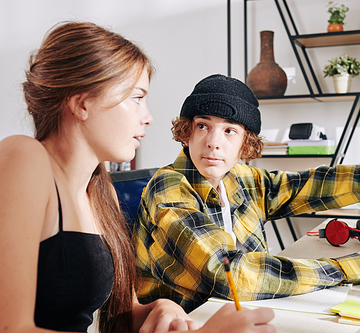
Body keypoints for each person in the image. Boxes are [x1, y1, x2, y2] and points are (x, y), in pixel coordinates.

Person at [0, 23, 275, 333]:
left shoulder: (100, 192)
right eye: (136, 98)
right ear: (82, 103)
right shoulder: (23, 158)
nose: (148, 116)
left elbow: (119, 317)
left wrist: (156, 310)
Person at [133, 73, 360, 312]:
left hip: (238, 316)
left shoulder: (240, 178)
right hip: (190, 323)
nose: (213, 141)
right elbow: (231, 275)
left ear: (245, 145)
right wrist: (347, 268)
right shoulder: (170, 187)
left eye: (230, 131)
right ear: (187, 131)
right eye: (202, 125)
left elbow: (311, 185)